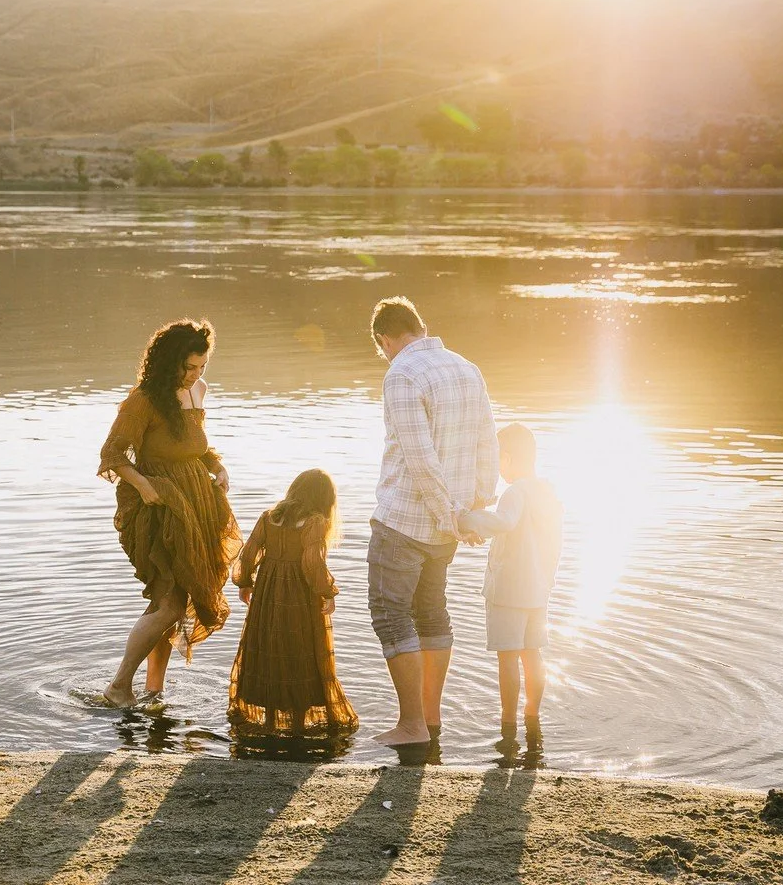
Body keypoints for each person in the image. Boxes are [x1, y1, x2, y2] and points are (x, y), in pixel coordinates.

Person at [366, 296, 498, 746]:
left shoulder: (401, 373)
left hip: (406, 520)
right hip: (448, 528)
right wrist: (473, 511)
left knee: (391, 615)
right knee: (431, 613)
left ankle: (411, 725)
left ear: (385, 339)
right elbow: (488, 441)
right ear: (419, 325)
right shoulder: (466, 367)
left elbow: (420, 460)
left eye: (382, 347)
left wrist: (454, 515)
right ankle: (430, 718)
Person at [97, 319, 241, 708]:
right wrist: (145, 487)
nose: (194, 375)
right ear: (167, 362)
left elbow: (194, 446)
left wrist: (218, 469)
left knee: (172, 603)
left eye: (201, 367)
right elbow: (112, 454)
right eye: (188, 367)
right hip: (159, 508)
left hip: (195, 505)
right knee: (169, 604)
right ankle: (117, 686)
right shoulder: (143, 400)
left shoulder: (198, 391)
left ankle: (153, 690)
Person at [228, 469, 358, 737]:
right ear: (324, 499)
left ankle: (269, 723)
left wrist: (245, 584)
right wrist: (328, 592)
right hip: (298, 596)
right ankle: (298, 727)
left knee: (269, 650)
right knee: (300, 652)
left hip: (267, 594)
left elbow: (249, 552)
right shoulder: (315, 522)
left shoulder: (270, 517)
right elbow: (312, 563)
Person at [465, 423, 563, 742]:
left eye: (497, 461)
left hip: (508, 590)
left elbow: (503, 521)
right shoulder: (547, 491)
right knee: (532, 653)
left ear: (506, 458)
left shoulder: (515, 491)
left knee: (508, 656)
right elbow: (554, 539)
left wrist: (465, 519)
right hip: (538, 590)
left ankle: (507, 720)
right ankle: (532, 713)